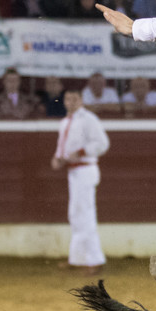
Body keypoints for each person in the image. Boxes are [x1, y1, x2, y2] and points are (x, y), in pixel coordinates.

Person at [52, 89, 110, 276]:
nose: (71, 102)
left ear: (81, 100)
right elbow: (63, 147)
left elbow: (102, 143)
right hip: (74, 171)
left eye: (74, 99)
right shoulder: (65, 122)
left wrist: (82, 152)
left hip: (85, 169)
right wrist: (58, 158)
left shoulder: (88, 119)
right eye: (68, 98)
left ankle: (94, 260)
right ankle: (78, 259)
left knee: (85, 214)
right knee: (76, 214)